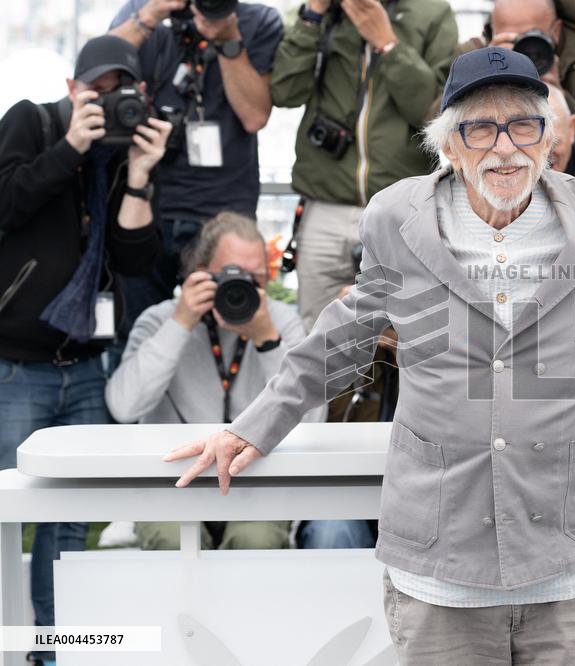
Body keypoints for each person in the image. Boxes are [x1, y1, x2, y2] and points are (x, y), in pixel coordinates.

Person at [164, 48, 575, 664]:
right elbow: (350, 332)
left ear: (548, 141)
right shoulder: (398, 218)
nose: (505, 147)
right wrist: (253, 426)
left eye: (523, 125)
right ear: (450, 145)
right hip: (441, 562)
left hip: (574, 558)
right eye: (480, 128)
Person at [0, 35, 171, 666]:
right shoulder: (31, 120)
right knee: (3, 511)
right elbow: (5, 203)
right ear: (73, 91)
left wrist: (141, 179)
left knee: (68, 523)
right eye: (96, 90)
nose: (108, 102)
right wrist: (68, 148)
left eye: (120, 89)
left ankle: (52, 652)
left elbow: (135, 261)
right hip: (16, 366)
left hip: (86, 367)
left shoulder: (124, 152)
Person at [105, 212, 326, 550]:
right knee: (171, 539)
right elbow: (124, 406)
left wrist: (267, 340)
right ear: (200, 272)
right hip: (172, 481)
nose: (243, 287)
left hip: (256, 480)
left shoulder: (280, 322)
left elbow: (313, 419)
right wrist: (180, 323)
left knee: (258, 540)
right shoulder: (161, 318)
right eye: (230, 275)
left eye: (255, 277)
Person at [108, 0, 283, 362]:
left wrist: (229, 39)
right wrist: (151, 14)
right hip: (147, 205)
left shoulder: (257, 20)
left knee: (230, 327)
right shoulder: (144, 10)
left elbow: (254, 116)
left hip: (223, 213)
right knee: (137, 330)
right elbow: (98, 70)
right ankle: (131, 415)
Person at [270, 0, 457, 329]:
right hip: (324, 205)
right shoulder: (322, 13)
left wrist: (387, 43)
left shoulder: (431, 13)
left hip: (399, 209)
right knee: (318, 334)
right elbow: (285, 92)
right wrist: (312, 16)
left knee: (402, 334)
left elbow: (437, 114)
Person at [457, 0, 575, 148]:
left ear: (556, 31)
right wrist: (482, 73)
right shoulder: (472, 54)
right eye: (514, 42)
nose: (523, 53)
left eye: (531, 39)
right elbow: (438, 125)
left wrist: (559, 94)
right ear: (493, 34)